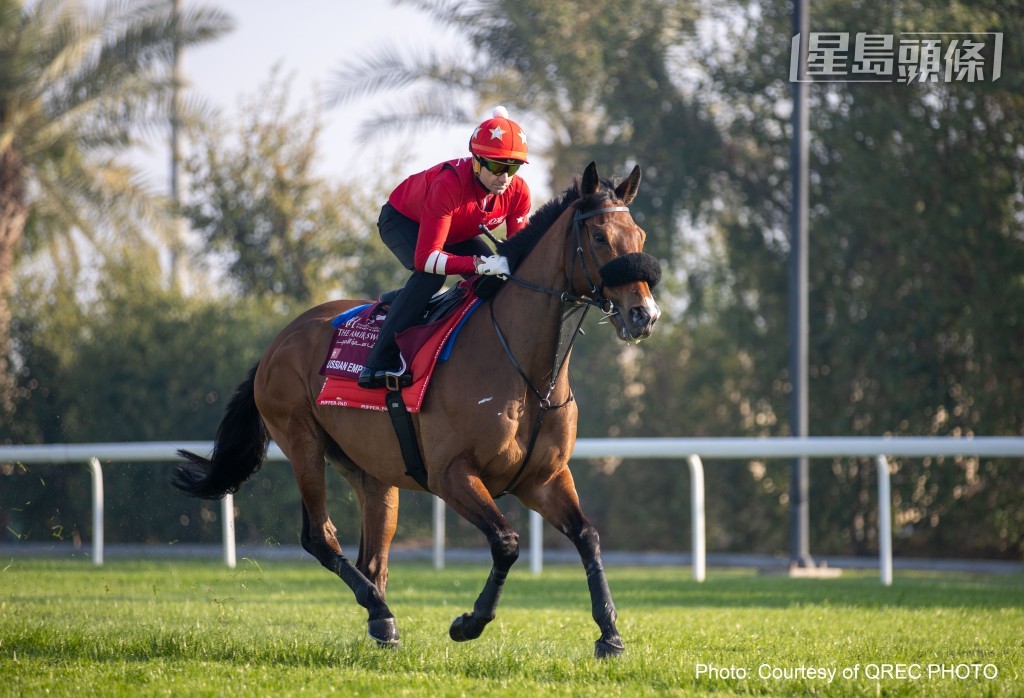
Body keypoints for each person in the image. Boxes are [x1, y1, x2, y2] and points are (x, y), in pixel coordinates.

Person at [358, 106, 532, 389]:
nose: (504, 178)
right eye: (497, 166)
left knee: (499, 281)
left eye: (512, 168)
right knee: (430, 275)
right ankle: (378, 362)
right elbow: (427, 259)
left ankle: (408, 300)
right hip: (403, 220)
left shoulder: (519, 192)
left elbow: (517, 257)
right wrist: (477, 265)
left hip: (456, 230)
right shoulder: (449, 183)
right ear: (476, 162)